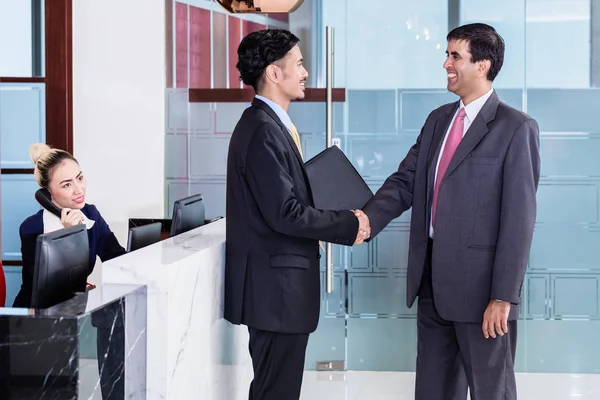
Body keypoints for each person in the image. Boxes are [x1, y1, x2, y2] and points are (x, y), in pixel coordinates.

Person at [359, 23, 540, 400]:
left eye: (455, 55)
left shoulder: (515, 128)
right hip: (432, 287)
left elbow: (518, 222)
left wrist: (503, 297)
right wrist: (366, 219)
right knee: (433, 391)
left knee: (493, 392)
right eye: (447, 54)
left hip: (484, 297)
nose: (446, 63)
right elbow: (405, 181)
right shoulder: (438, 120)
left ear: (483, 65)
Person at [224, 29, 370, 400]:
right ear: (274, 73)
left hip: (277, 293)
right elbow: (285, 214)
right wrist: (349, 224)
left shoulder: (270, 126)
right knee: (276, 391)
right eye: (300, 64)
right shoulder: (261, 130)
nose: (305, 73)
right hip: (275, 294)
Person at [14, 143, 126, 308]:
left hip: (74, 313)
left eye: (79, 178)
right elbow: (40, 290)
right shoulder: (32, 228)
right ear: (47, 192)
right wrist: (69, 236)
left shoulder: (90, 215)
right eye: (67, 184)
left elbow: (117, 258)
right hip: (35, 320)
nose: (79, 189)